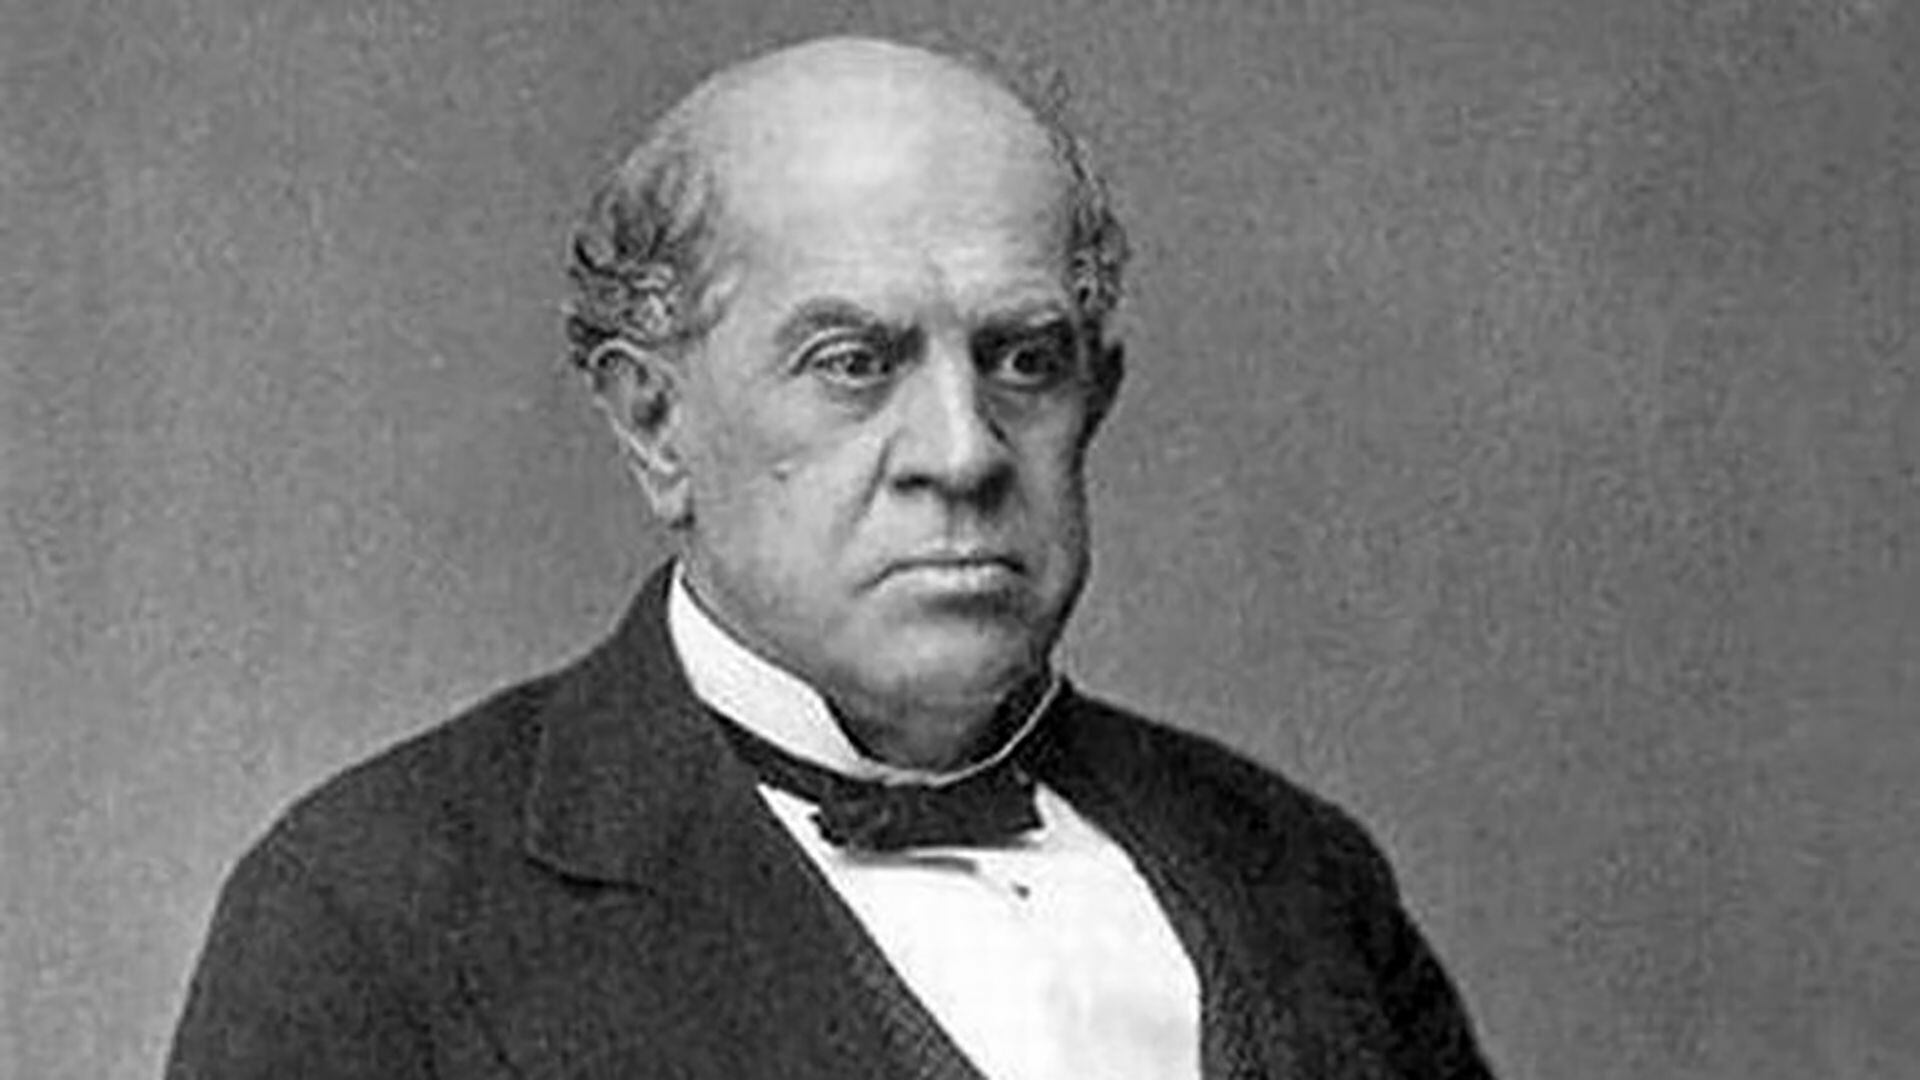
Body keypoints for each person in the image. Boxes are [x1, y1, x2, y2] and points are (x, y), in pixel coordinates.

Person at [167, 36, 1494, 1080]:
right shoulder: (374, 913)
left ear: (1099, 397)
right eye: (853, 364)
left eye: (1024, 360)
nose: (962, 453)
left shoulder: (1296, 874)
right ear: (654, 423)